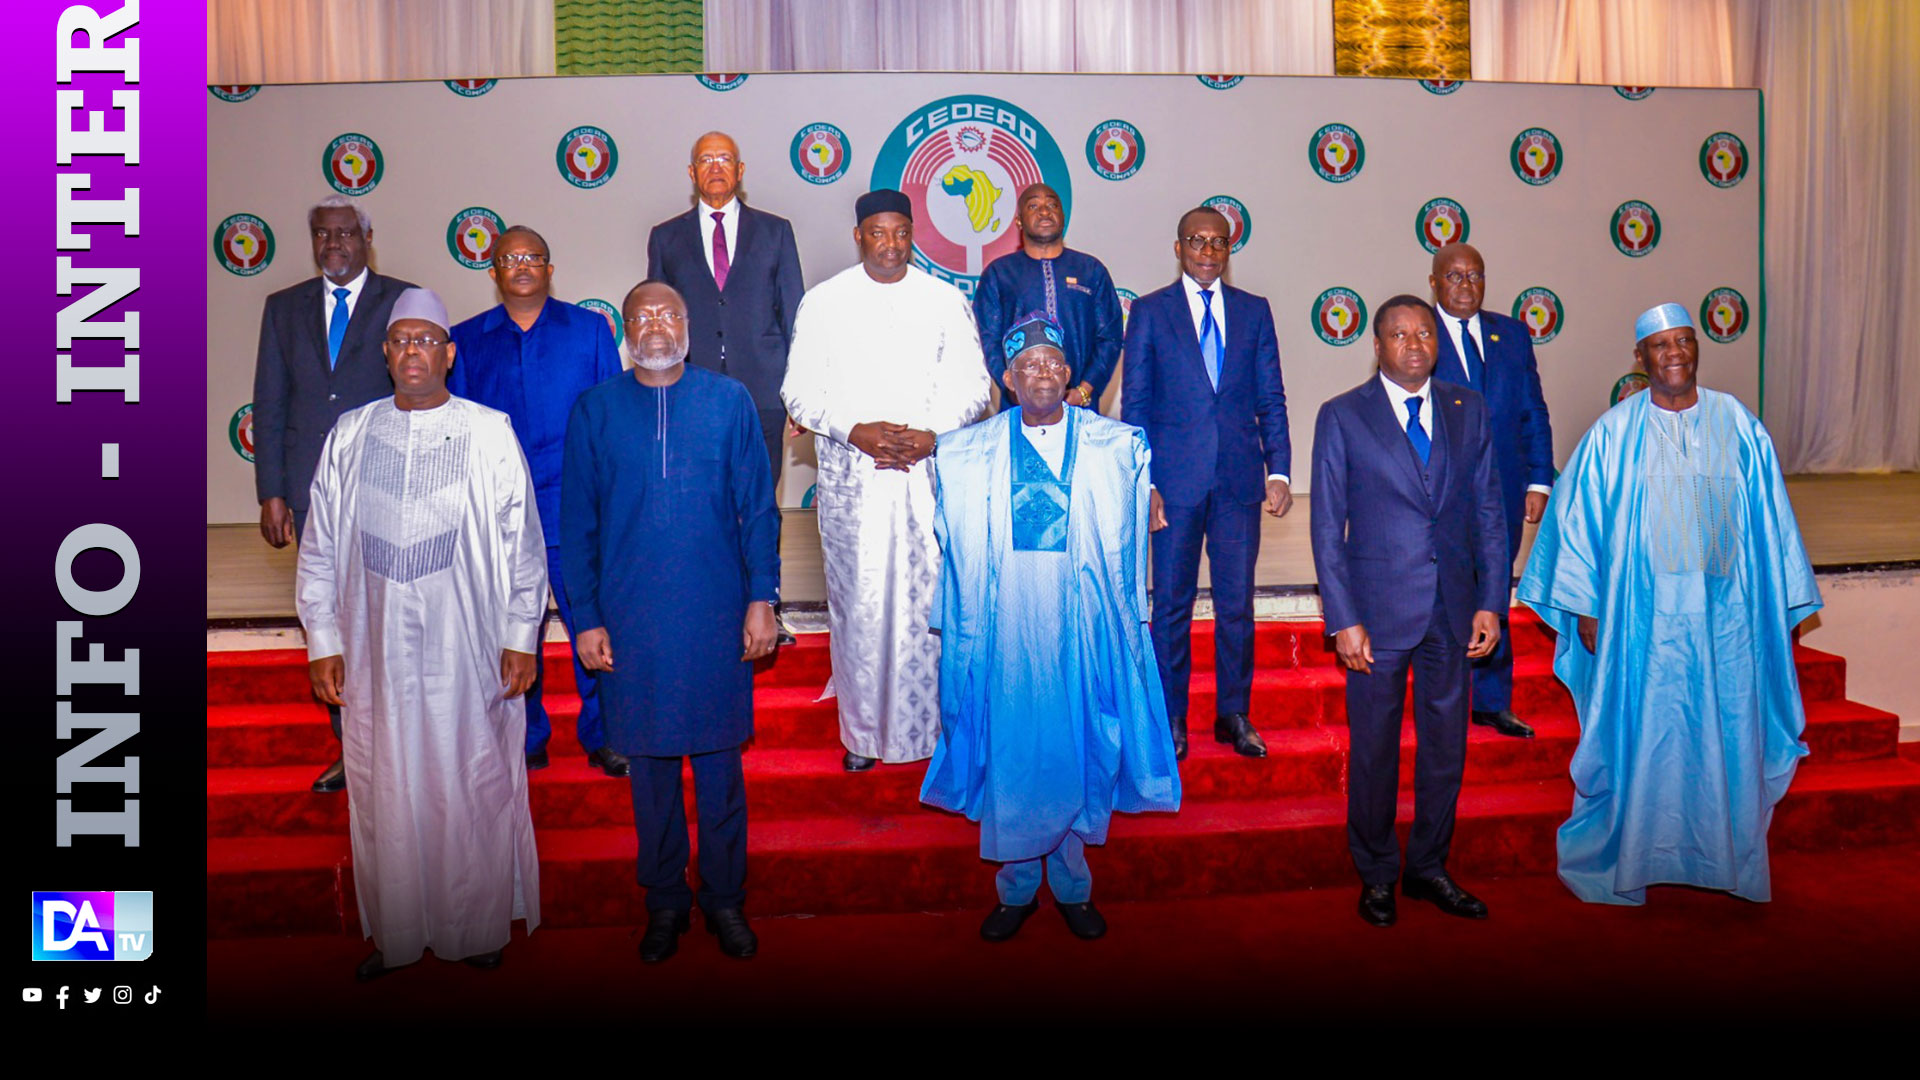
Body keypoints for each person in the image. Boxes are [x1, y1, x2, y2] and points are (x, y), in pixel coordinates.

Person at [1518, 302, 1821, 906]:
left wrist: (1776, 608)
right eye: (1661, 344)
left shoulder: (1738, 424)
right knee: (1643, 734)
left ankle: (1726, 856)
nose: (1675, 353)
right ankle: (1635, 853)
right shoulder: (1612, 434)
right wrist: (1586, 606)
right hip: (1640, 624)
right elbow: (1579, 525)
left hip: (1726, 624)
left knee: (1726, 733)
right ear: (1641, 357)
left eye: (1684, 340)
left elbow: (1772, 527)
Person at [295, 287, 547, 980]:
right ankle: (397, 932)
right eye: (402, 340)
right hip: (372, 648)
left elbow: (523, 539)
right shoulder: (350, 435)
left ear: (449, 353)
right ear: (386, 353)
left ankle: (476, 926)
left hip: (470, 645)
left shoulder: (489, 431)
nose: (414, 351)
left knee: (472, 776)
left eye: (427, 340)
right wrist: (323, 639)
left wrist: (521, 634)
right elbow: (319, 544)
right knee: (385, 786)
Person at [923, 315, 1181, 942]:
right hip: (1008, 629)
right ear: (1007, 380)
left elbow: (1127, 532)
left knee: (1077, 741)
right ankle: (1015, 889)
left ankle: (1072, 886)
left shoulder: (1114, 446)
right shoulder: (968, 451)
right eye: (1027, 365)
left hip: (1079, 625)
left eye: (1052, 363)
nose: (1041, 373)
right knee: (1015, 748)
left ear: (1070, 375)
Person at [562, 280, 780, 962]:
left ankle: (724, 898)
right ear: (624, 330)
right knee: (650, 772)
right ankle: (664, 902)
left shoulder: (729, 401)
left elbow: (758, 508)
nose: (656, 326)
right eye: (642, 316)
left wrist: (763, 597)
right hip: (630, 621)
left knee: (719, 767)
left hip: (716, 614)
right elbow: (577, 523)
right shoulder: (596, 409)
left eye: (668, 314)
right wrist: (586, 617)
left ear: (688, 324)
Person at [1310, 295, 1508, 928]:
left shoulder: (1467, 408)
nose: (1414, 343)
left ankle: (1427, 867)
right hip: (1375, 616)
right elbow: (1326, 527)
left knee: (1446, 749)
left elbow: (1489, 511)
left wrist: (1491, 601)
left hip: (1453, 611)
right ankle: (1376, 873)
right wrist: (1342, 619)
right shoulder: (1343, 415)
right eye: (1399, 334)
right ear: (1377, 346)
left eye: (1424, 332)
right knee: (1374, 751)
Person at [781, 189, 991, 771]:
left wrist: (930, 434)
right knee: (862, 606)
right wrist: (855, 430)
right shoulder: (824, 303)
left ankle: (931, 732)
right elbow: (798, 389)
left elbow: (976, 386)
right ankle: (862, 734)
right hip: (855, 482)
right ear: (859, 236)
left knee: (928, 606)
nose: (891, 245)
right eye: (878, 233)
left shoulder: (945, 300)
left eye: (901, 233)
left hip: (927, 478)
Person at [449, 225, 626, 777]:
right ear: (493, 271)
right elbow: (460, 428)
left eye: (533, 257)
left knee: (593, 624)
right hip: (499, 513)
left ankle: (605, 735)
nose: (522, 266)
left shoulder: (589, 330)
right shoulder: (466, 339)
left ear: (550, 269)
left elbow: (613, 418)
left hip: (577, 509)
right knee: (511, 629)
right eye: (510, 258)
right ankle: (524, 737)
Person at [252, 195, 415, 793]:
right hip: (309, 488)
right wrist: (272, 490)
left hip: (388, 484)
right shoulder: (283, 307)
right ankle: (354, 750)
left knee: (393, 620)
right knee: (331, 620)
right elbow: (270, 400)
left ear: (367, 238)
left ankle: (402, 743)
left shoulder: (403, 300)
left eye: (346, 233)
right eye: (323, 234)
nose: (334, 243)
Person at [1120, 205, 1292, 761]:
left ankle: (1233, 713)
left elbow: (1271, 396)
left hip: (1239, 481)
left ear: (1228, 249)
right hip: (1173, 485)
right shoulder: (1150, 312)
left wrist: (1279, 469)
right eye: (1197, 240)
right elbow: (1136, 404)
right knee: (1171, 604)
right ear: (1179, 248)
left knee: (1236, 605)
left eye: (1218, 242)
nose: (1208, 251)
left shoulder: (1254, 311)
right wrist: (1144, 481)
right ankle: (1171, 716)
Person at [1428, 242, 1554, 740]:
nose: (1466, 285)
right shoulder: (1418, 332)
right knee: (1445, 594)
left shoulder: (1513, 334)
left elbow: (1532, 410)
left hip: (1503, 487)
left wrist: (1539, 478)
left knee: (1494, 588)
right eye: (1454, 276)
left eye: (1475, 275)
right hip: (1440, 493)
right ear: (1434, 283)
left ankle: (1492, 701)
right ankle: (1447, 700)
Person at [646, 131, 806, 489]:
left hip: (764, 390)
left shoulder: (775, 231)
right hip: (690, 390)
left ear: (740, 169)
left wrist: (800, 394)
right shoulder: (666, 237)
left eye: (724, 159)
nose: (716, 167)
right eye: (706, 160)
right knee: (700, 496)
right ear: (692, 172)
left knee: (760, 497)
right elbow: (657, 325)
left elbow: (794, 314)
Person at [972, 183, 1124, 411]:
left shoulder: (1090, 270)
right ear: (1019, 221)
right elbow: (987, 339)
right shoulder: (999, 273)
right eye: (1033, 206)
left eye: (1052, 205)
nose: (1044, 211)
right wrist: (1015, 388)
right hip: (1018, 408)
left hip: (1079, 408)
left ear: (1063, 217)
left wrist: (1084, 390)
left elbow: (1109, 337)